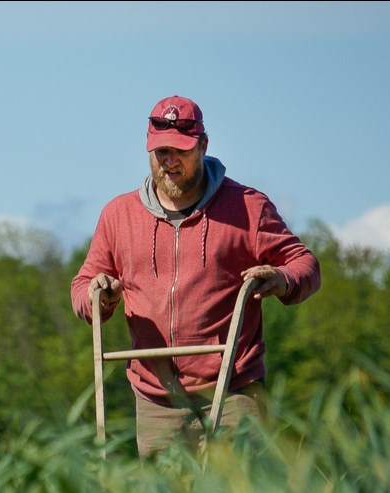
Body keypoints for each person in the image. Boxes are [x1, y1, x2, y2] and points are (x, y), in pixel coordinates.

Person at [70, 95, 321, 458]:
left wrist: (283, 279)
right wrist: (98, 296)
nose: (170, 162)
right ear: (148, 150)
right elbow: (83, 284)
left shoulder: (247, 207)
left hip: (234, 390)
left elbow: (305, 264)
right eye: (161, 153)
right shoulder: (118, 215)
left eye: (181, 152)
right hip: (156, 398)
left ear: (203, 146)